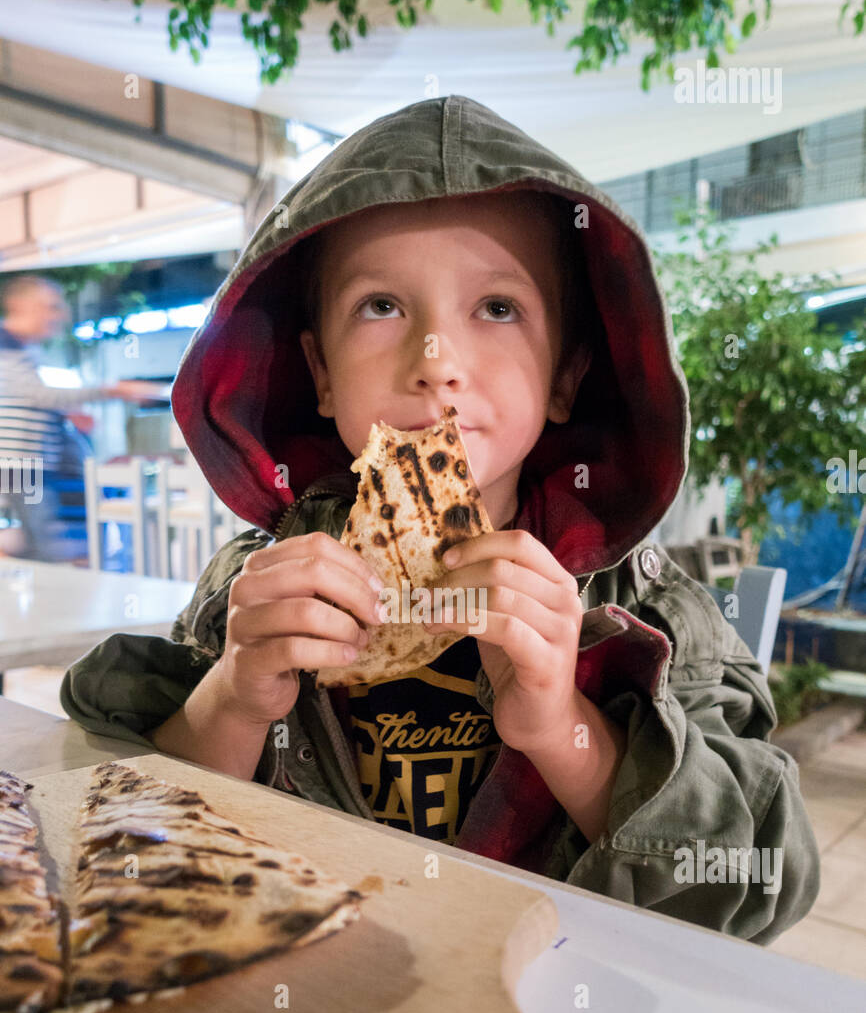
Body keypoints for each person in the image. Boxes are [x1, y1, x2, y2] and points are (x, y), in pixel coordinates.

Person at [60, 95, 819, 942]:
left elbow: (760, 885)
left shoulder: (649, 611)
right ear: (318, 371)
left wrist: (567, 731)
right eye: (381, 306)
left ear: (565, 376)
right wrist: (234, 699)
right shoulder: (256, 586)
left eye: (497, 309)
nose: (436, 362)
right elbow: (134, 844)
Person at [0, 274, 157, 560]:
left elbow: (24, 397)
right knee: (45, 546)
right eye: (50, 306)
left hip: (26, 464)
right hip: (20, 465)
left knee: (41, 542)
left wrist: (63, 414)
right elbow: (38, 395)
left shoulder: (20, 348)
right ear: (20, 304)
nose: (57, 315)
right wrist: (114, 390)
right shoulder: (5, 344)